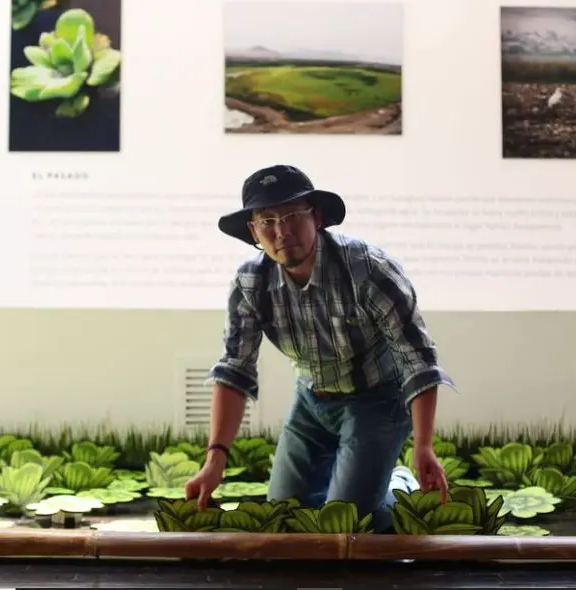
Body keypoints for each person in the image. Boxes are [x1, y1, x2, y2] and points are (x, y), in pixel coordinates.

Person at [184, 164, 456, 532]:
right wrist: (215, 459)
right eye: (268, 220)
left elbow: (418, 360)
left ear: (317, 216)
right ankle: (362, 479)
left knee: (347, 523)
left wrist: (423, 444)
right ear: (253, 231)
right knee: (285, 518)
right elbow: (235, 369)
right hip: (311, 401)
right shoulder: (251, 282)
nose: (282, 231)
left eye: (293, 216)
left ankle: (397, 484)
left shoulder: (369, 270)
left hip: (377, 401)